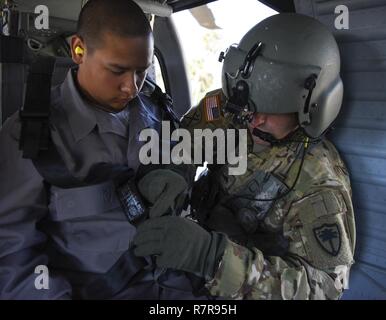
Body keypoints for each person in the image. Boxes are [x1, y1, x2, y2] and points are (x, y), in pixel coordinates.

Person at [133, 13, 356, 300]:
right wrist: (174, 171)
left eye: (269, 110)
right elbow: (186, 141)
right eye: (248, 108)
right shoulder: (234, 107)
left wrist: (212, 259)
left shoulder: (317, 184)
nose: (253, 120)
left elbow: (322, 289)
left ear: (313, 108)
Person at [0, 0, 199, 300]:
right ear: (79, 50)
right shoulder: (30, 136)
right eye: (117, 70)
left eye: (140, 71)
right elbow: (13, 254)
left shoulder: (160, 116)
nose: (131, 88)